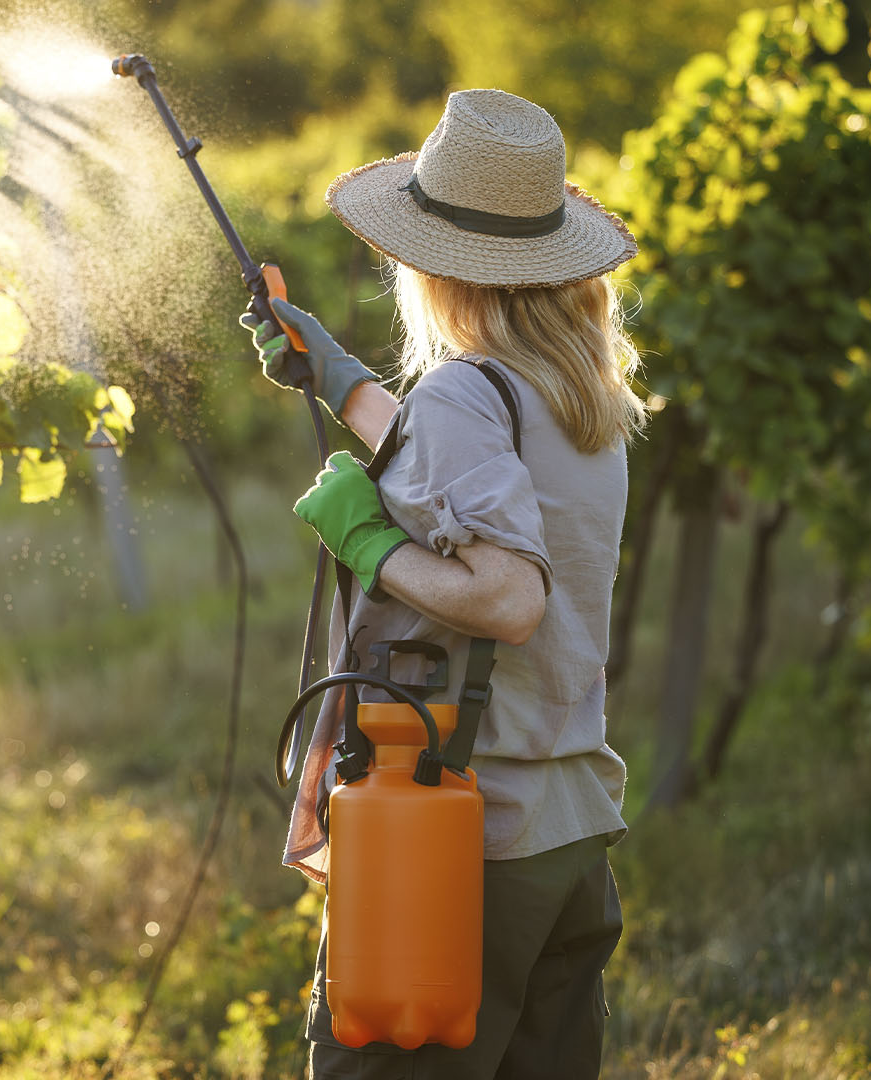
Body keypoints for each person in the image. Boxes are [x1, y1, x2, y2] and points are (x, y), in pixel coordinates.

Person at [240, 88, 647, 1079]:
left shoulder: (470, 391)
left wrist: (372, 545)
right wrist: (340, 381)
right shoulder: (576, 399)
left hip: (458, 841)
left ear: (434, 262)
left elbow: (509, 597)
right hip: (566, 835)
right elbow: (464, 472)